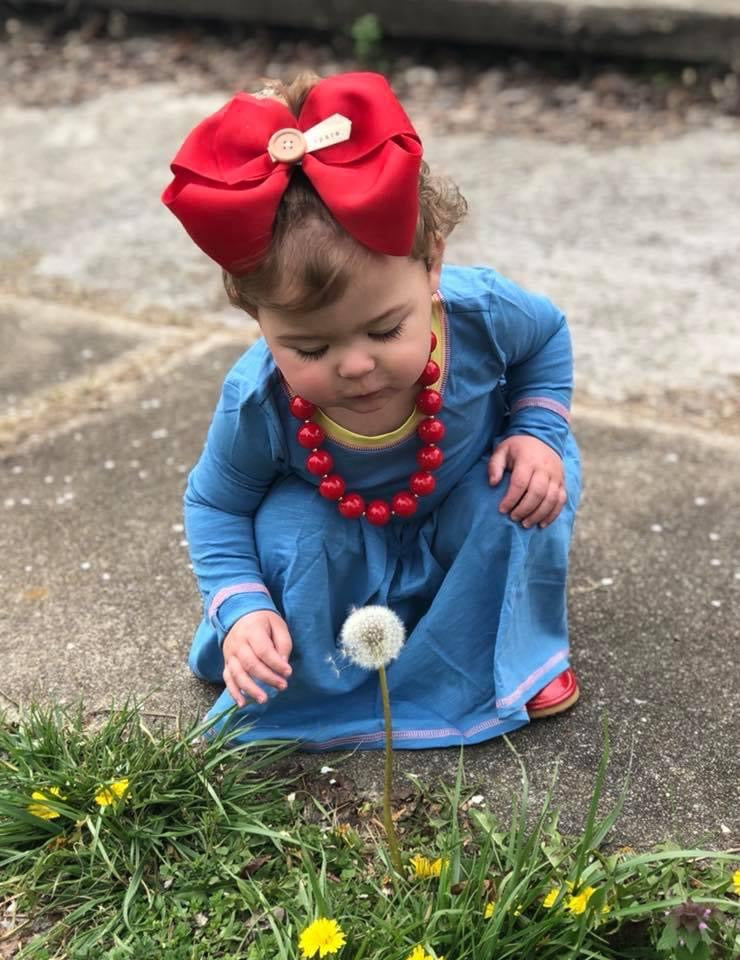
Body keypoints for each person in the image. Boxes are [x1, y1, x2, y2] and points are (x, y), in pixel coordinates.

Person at [162, 71, 582, 751]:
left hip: (461, 502)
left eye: (386, 330)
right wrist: (242, 607)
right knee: (290, 529)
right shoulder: (258, 402)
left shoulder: (482, 314)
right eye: (308, 346)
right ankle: (314, 669)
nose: (356, 365)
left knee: (520, 495)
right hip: (348, 537)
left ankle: (512, 653)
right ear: (255, 317)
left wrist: (535, 429)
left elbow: (547, 339)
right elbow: (215, 506)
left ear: (431, 265)